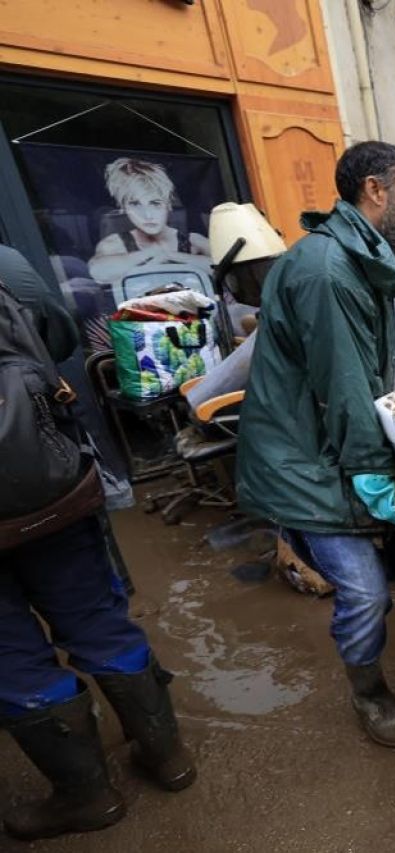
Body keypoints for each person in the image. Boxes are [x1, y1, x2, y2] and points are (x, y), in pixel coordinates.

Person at [236, 141, 395, 750]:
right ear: (374, 192)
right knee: (362, 592)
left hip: (365, 445)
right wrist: (373, 473)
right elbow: (346, 388)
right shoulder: (327, 271)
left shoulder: (379, 259)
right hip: (311, 460)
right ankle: (370, 693)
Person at [1, 244, 196, 841]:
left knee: (10, 653)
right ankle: (167, 757)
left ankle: (86, 795)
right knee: (96, 618)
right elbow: (56, 334)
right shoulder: (5, 263)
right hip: (48, 482)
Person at [87, 158, 211, 282]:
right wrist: (152, 253)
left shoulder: (194, 241)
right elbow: (98, 272)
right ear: (124, 208)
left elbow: (221, 268)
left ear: (168, 205)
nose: (147, 215)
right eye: (135, 204)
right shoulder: (114, 244)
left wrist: (169, 255)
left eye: (155, 203)